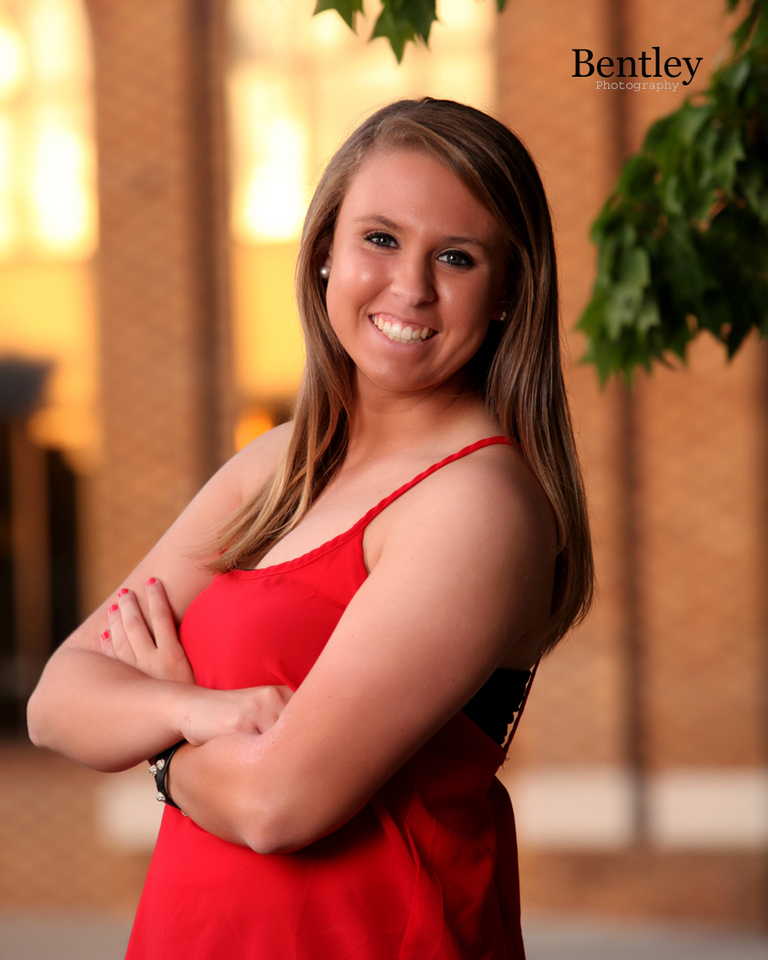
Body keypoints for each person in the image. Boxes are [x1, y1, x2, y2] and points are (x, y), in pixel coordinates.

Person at [28, 98, 593, 959]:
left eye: (456, 256)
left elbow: (276, 806)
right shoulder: (281, 463)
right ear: (325, 250)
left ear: (510, 289)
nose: (411, 286)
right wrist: (206, 709)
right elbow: (57, 702)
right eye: (379, 238)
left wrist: (159, 745)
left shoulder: (478, 504)